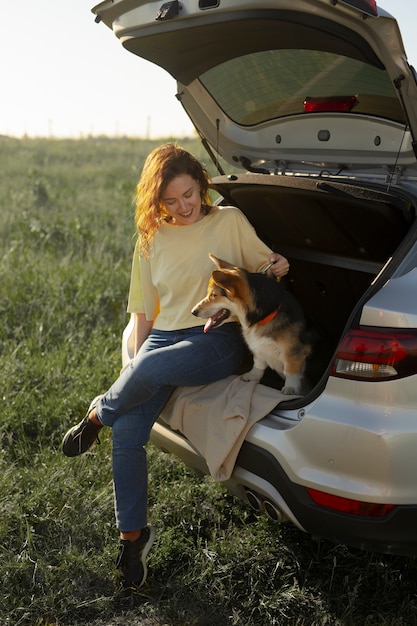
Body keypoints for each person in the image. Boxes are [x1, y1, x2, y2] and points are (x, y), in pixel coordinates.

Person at [61, 143, 289, 590]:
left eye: (189, 194)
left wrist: (279, 265)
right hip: (164, 336)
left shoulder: (230, 221)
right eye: (171, 201)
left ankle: (97, 413)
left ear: (201, 186)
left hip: (216, 339)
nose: (183, 207)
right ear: (156, 201)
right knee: (128, 431)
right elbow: (145, 314)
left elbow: (267, 268)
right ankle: (132, 540)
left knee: (142, 377)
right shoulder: (151, 238)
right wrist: (137, 359)